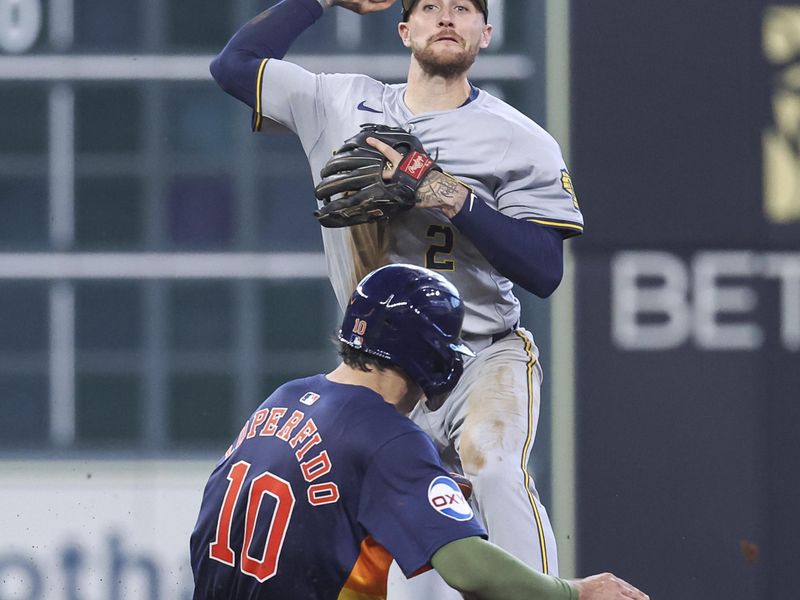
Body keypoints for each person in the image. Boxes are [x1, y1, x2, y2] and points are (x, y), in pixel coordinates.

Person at [210, 0, 584, 595]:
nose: (445, 17)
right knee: (355, 515)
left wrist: (453, 197)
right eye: (429, 6)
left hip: (479, 356)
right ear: (404, 29)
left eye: (463, 8)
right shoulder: (339, 102)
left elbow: (545, 270)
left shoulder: (520, 140)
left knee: (492, 467)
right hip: (378, 365)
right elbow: (233, 66)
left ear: (484, 34)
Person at [190, 264, 646, 600]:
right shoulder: (387, 437)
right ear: (426, 355)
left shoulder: (283, 398)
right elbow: (467, 568)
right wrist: (573, 593)